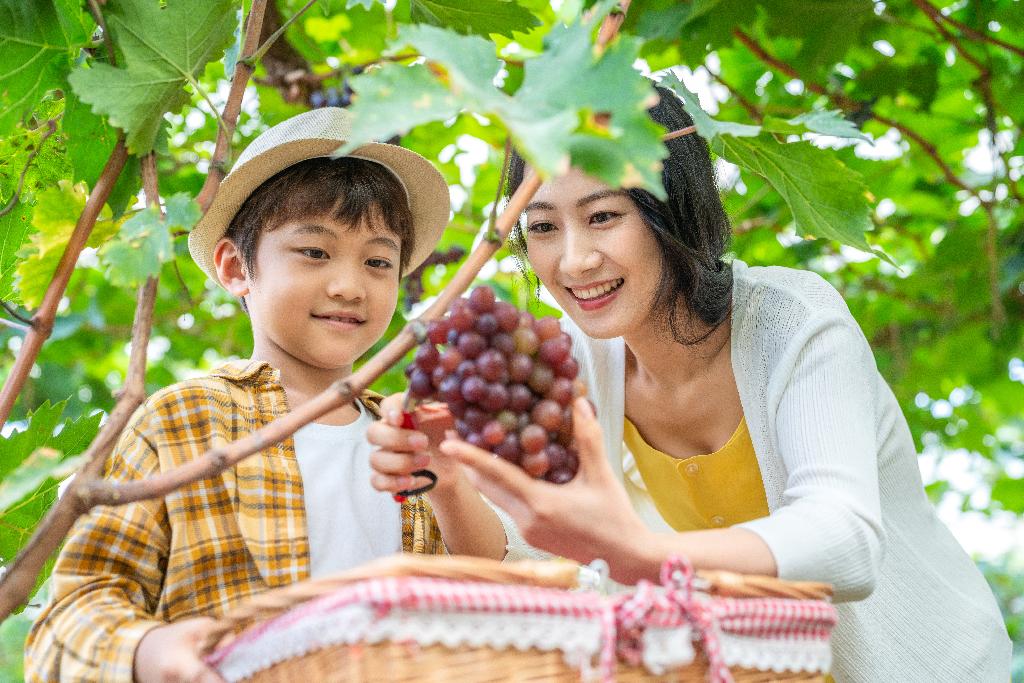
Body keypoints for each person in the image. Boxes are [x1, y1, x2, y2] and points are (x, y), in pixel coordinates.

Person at [369, 87, 1012, 681]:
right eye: (542, 227)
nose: (573, 259)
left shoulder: (796, 325)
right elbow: (526, 562)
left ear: (671, 208)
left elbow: (845, 543)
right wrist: (446, 479)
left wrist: (645, 553)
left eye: (603, 216)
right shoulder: (580, 363)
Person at [25, 107, 480, 682]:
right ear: (236, 267)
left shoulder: (404, 438)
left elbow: (482, 592)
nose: (349, 285)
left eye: (378, 262)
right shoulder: (185, 419)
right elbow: (74, 607)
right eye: (315, 252)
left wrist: (450, 482)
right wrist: (149, 651)